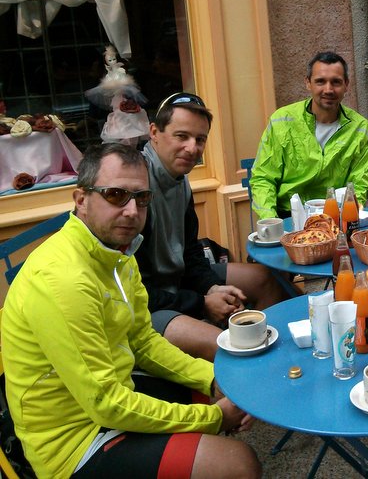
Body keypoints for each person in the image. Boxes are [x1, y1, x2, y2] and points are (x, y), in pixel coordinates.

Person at [1, 143, 261, 478]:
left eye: (141, 198)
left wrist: (212, 379)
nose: (131, 210)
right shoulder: (63, 280)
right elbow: (107, 403)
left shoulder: (115, 253)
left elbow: (142, 340)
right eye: (115, 195)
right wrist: (214, 418)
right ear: (81, 200)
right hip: (73, 445)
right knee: (239, 464)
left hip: (108, 399)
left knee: (210, 389)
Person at [136, 92, 286, 362]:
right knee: (226, 345)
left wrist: (213, 288)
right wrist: (201, 301)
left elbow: (191, 251)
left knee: (266, 279)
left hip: (176, 282)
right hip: (141, 306)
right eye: (181, 136)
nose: (192, 148)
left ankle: (272, 363)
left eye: (200, 139)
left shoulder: (178, 179)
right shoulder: (135, 186)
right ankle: (237, 393)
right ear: (154, 132)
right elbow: (134, 289)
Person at [250, 51, 368, 219]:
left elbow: (359, 185)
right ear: (308, 83)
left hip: (335, 217)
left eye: (336, 82)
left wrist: (348, 218)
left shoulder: (361, 128)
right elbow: (263, 178)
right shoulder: (282, 121)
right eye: (320, 81)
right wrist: (271, 222)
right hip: (287, 215)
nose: (328, 89)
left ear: (346, 84)